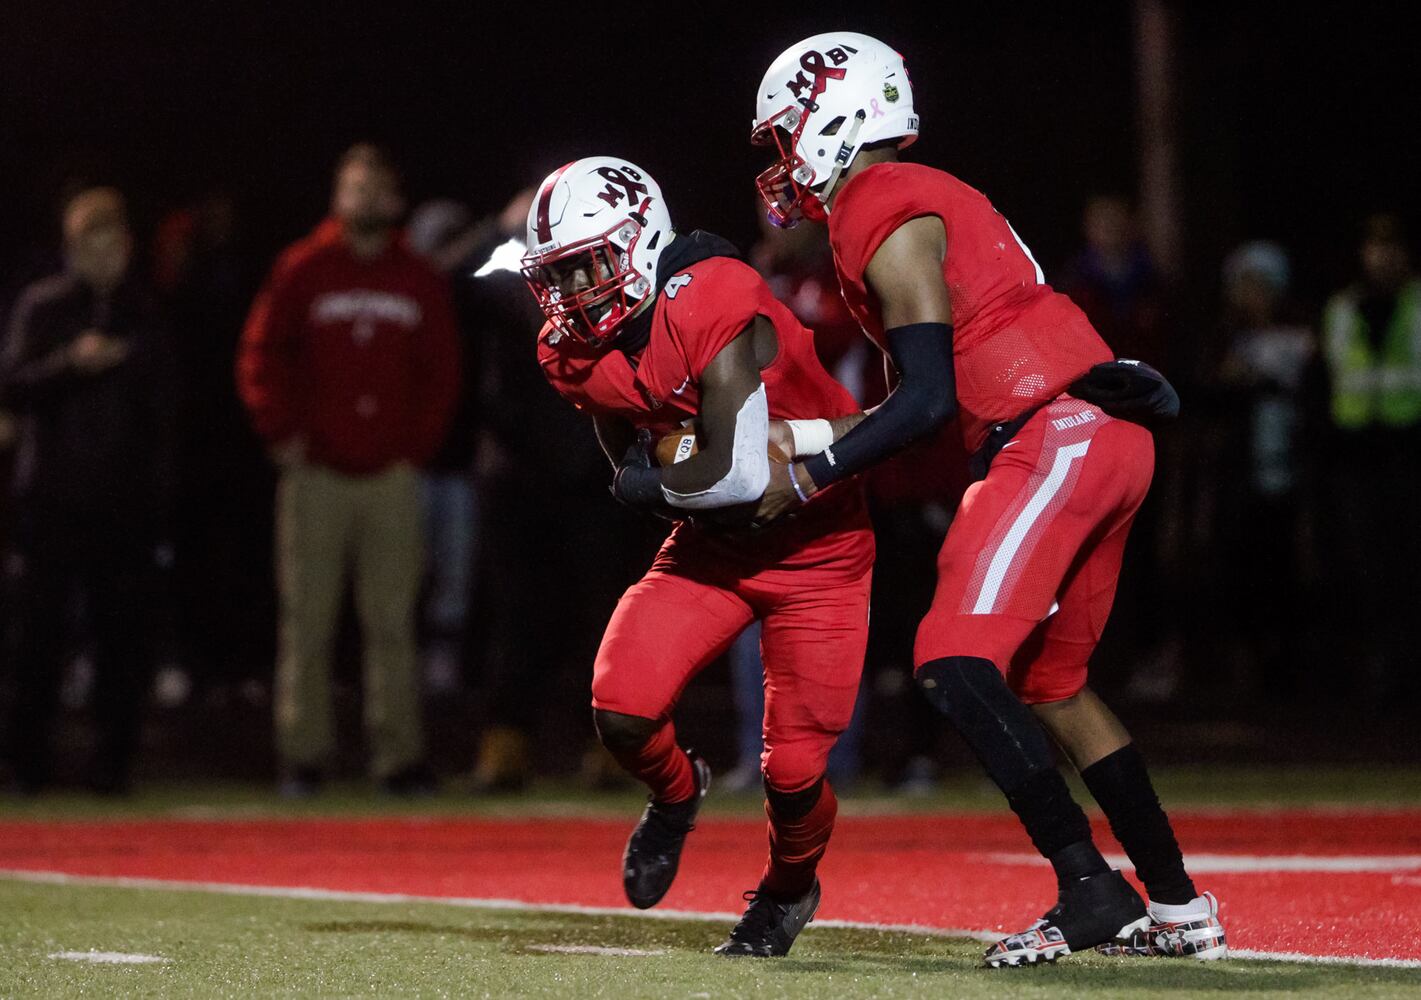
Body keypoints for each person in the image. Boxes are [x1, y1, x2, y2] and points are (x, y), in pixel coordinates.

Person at [746, 33, 1225, 966]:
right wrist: (801, 439)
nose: (780, 158)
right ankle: (1176, 904)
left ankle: (1088, 887)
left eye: (785, 133)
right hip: (1093, 432)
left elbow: (925, 400)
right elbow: (926, 392)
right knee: (1051, 683)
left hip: (1048, 434)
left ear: (834, 120)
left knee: (950, 660)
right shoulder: (917, 195)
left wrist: (807, 475)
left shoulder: (876, 203)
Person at [525, 156, 874, 957]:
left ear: (642, 240)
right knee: (620, 709)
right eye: (558, 273)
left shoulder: (712, 291)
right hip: (713, 546)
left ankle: (788, 890)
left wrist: (646, 489)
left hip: (818, 544)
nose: (572, 290)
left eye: (588, 263)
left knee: (792, 773)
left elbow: (740, 473)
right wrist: (637, 477)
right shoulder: (566, 348)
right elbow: (620, 425)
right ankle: (678, 796)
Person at [237, 144, 460, 797]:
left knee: (392, 620)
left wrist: (413, 445)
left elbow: (441, 371)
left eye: (372, 188)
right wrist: (280, 432)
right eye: (350, 186)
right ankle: (302, 755)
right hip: (318, 474)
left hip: (389, 472)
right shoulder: (304, 268)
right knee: (307, 619)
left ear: (392, 201)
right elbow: (260, 353)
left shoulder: (415, 276)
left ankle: (398, 756)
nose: (360, 197)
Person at [1, 186, 175, 794]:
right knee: (38, 640)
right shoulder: (43, 308)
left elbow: (165, 401)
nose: (104, 256)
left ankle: (113, 766)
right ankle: (27, 765)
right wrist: (69, 363)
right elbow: (13, 385)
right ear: (72, 248)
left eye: (113, 244)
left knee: (121, 644)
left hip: (123, 502)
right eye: (90, 244)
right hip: (50, 498)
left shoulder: (144, 310)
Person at [1320, 214, 1421, 696]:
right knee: (1367, 567)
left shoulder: (1417, 303)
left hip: (1409, 449)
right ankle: (1378, 670)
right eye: (1375, 246)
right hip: (1357, 456)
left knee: (1408, 565)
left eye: (1393, 246)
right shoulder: (1341, 308)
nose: (1383, 257)